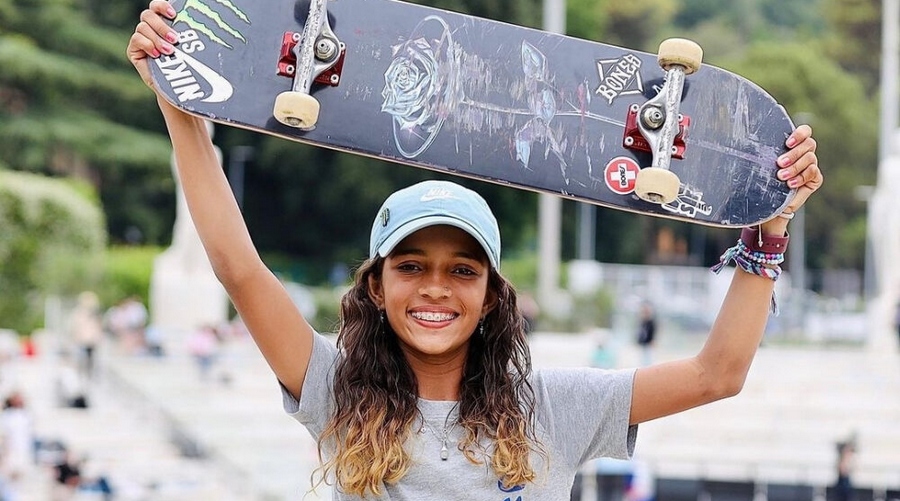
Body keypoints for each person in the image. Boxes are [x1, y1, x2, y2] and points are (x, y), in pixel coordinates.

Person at [127, 5, 822, 498]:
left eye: (462, 270)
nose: (435, 287)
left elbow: (716, 373)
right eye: (410, 266)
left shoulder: (553, 408)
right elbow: (238, 269)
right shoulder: (335, 391)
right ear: (376, 286)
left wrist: (769, 229)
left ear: (492, 293)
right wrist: (179, 106)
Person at [635, 302, 656, 367]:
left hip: (648, 344)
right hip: (642, 344)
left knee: (648, 360)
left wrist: (652, 340)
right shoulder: (642, 322)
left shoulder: (651, 322)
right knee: (642, 361)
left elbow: (652, 332)